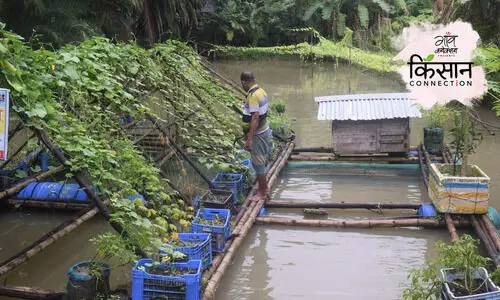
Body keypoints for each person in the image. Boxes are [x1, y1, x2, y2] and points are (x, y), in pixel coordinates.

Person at [240, 71, 270, 200]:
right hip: (263, 130)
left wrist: (249, 138)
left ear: (244, 82)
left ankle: (262, 192)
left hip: (257, 134)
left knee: (258, 162)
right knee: (260, 160)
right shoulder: (261, 91)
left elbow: (255, 118)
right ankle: (264, 188)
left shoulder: (253, 96)